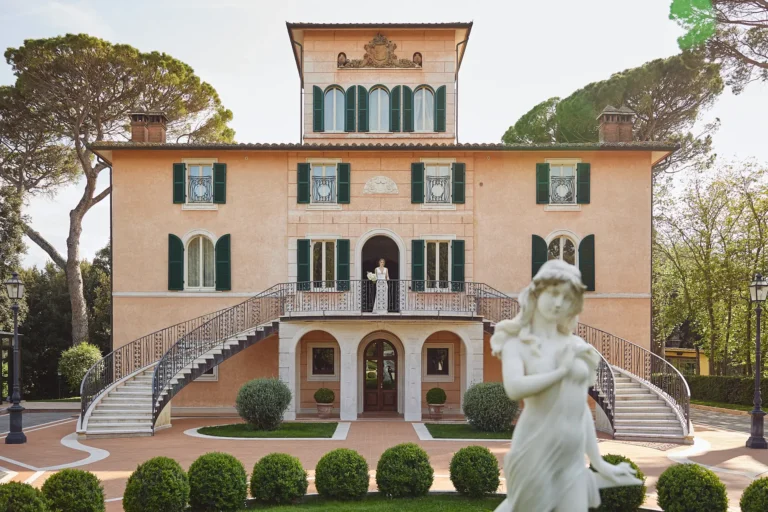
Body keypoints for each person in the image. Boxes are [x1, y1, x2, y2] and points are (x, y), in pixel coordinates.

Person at [491, 259, 641, 512]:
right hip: (535, 449)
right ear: (537, 293)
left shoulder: (577, 347)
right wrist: (560, 372)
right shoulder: (517, 344)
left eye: (566, 297)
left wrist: (598, 463)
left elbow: (579, 408)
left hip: (571, 456)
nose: (559, 303)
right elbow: (514, 388)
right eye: (553, 293)